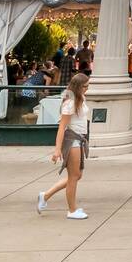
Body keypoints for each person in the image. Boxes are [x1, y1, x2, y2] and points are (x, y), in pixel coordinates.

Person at [38, 74, 91, 219]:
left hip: (79, 138)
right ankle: (72, 210)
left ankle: (46, 195)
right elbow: (61, 127)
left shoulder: (80, 98)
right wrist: (57, 149)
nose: (88, 88)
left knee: (76, 175)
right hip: (72, 139)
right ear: (78, 87)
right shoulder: (70, 103)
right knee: (74, 177)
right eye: (85, 86)